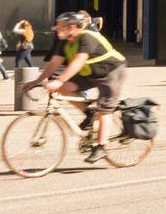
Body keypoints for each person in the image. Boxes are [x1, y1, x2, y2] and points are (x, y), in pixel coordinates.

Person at [29, 11, 128, 162]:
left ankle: (101, 147)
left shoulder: (87, 37)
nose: (57, 29)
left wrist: (60, 79)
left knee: (104, 109)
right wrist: (37, 81)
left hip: (111, 72)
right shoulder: (65, 41)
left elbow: (79, 61)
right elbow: (54, 62)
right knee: (62, 88)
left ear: (73, 27)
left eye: (61, 26)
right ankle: (89, 113)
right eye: (57, 26)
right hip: (90, 73)